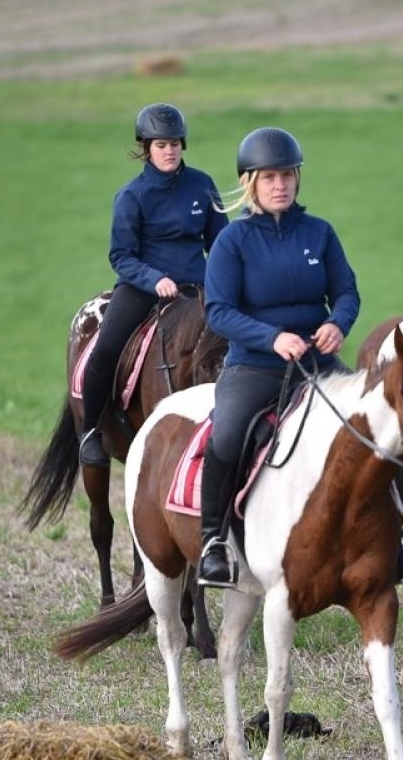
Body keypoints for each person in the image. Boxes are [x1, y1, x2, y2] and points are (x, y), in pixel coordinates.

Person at [195, 127, 362, 588]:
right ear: (250, 182)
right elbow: (219, 311)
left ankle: (397, 538)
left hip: (316, 363)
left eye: (287, 175)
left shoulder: (319, 233)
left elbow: (346, 292)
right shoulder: (232, 242)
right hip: (255, 364)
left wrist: (337, 324)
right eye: (269, 177)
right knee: (226, 434)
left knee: (371, 421)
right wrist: (272, 339)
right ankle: (213, 541)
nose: (280, 185)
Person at [78, 103, 226, 468]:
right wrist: (154, 279)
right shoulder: (131, 196)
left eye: (175, 142)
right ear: (146, 147)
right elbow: (121, 256)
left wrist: (225, 284)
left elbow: (221, 243)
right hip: (143, 288)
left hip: (198, 288)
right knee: (107, 348)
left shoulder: (202, 185)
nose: (169, 150)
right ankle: (90, 432)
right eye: (161, 144)